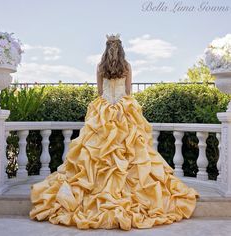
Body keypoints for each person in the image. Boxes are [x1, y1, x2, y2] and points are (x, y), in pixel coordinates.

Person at [29, 33, 200, 231]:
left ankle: (97, 190)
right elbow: (128, 92)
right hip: (123, 109)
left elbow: (100, 93)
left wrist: (108, 105)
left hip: (103, 109)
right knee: (130, 151)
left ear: (106, 48)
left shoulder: (100, 67)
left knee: (95, 152)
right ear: (121, 49)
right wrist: (120, 105)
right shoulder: (126, 66)